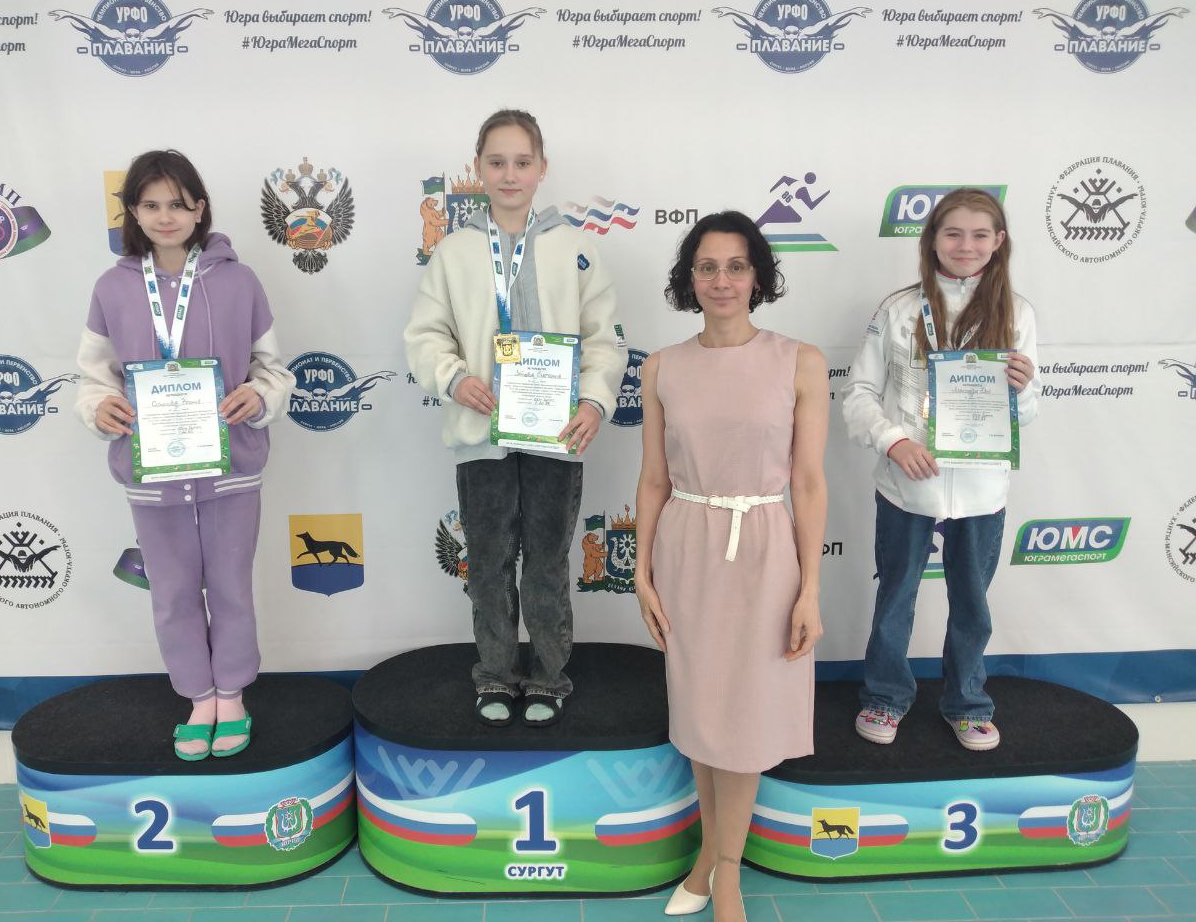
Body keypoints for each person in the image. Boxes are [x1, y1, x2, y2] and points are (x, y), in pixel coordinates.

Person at [404, 109, 626, 727]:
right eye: (496, 162)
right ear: (477, 168)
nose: (509, 174)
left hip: (557, 436)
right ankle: (497, 674)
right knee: (490, 561)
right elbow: (425, 335)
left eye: (522, 162)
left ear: (542, 168)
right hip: (482, 436)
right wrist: (455, 377)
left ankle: (549, 676)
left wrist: (594, 401)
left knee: (549, 562)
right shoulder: (453, 252)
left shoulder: (576, 250)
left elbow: (604, 339)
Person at [634, 212, 827, 921]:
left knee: (744, 718)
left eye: (736, 266)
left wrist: (810, 589)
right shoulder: (662, 366)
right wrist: (641, 574)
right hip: (687, 546)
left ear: (758, 277)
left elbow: (808, 483)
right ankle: (708, 860)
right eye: (708, 267)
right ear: (690, 278)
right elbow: (653, 480)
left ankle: (726, 872)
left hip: (766, 550)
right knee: (702, 711)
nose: (722, 280)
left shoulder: (799, 361)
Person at [74, 149, 293, 761]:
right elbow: (94, 377)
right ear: (132, 212)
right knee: (171, 591)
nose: (165, 216)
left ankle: (233, 695)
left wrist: (259, 394)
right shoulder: (112, 288)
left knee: (230, 587)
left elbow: (272, 368)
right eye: (150, 204)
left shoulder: (240, 282)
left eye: (177, 203)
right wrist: (98, 408)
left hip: (230, 469)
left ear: (200, 208)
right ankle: (198, 696)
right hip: (153, 473)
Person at [841, 188, 1039, 751]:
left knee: (972, 605)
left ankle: (968, 703)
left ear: (999, 242)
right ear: (932, 240)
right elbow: (858, 394)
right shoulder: (899, 309)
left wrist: (1023, 391)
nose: (965, 245)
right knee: (896, 597)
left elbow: (1027, 413)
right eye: (953, 233)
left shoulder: (1018, 312)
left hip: (981, 490)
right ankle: (884, 697)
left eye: (980, 234)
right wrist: (894, 441)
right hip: (906, 484)